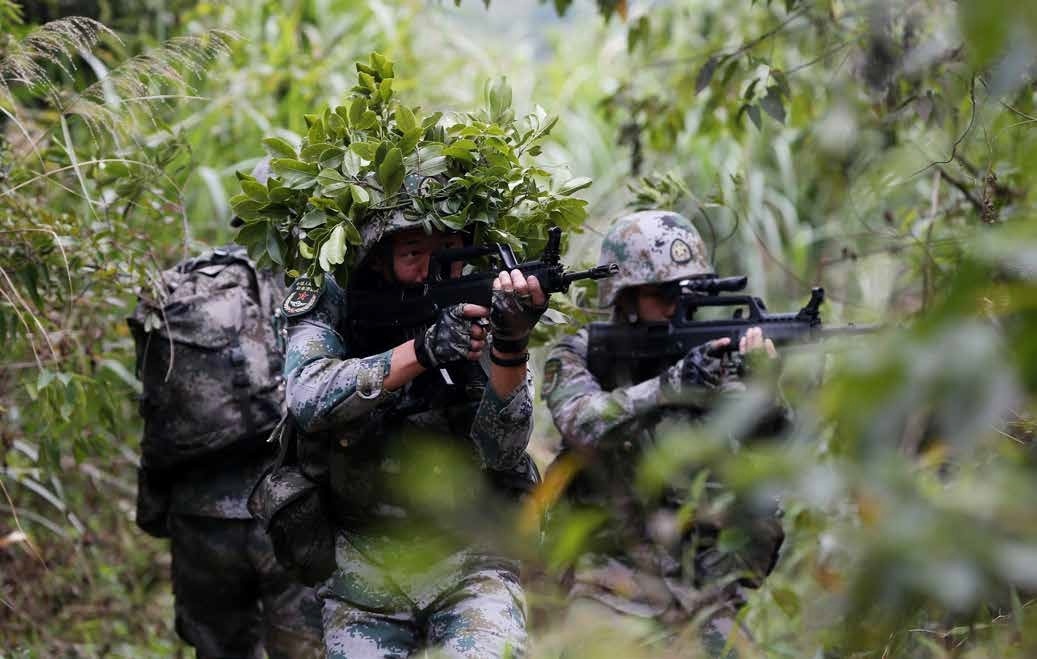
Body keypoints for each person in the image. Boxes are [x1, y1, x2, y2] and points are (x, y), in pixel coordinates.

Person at [281, 202, 545, 658]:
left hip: (472, 558)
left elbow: (503, 451)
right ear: (377, 258)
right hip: (362, 573)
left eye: (450, 249)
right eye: (413, 253)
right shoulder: (335, 299)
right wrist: (421, 351)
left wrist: (511, 344)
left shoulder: (485, 301)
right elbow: (306, 396)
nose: (433, 268)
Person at [541, 209, 787, 652]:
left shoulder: (711, 355)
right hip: (605, 581)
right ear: (624, 297)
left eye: (685, 292)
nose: (675, 305)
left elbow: (778, 449)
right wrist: (669, 385)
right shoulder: (579, 353)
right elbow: (582, 421)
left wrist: (763, 394)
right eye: (662, 293)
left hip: (701, 588)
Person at [130, 244, 323, 658]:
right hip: (286, 507)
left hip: (200, 519)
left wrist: (153, 510)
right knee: (304, 649)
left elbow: (158, 421)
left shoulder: (181, 295)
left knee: (218, 648)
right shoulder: (298, 285)